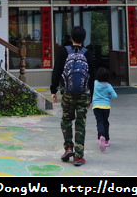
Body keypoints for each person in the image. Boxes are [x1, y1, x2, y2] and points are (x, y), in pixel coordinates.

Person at [50, 26, 97, 166]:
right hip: (83, 94)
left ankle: (68, 147)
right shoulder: (88, 53)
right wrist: (92, 96)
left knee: (66, 120)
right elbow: (92, 76)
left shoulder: (64, 51)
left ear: (71, 37)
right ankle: (78, 156)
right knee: (80, 123)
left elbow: (57, 70)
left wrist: (53, 90)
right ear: (84, 38)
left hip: (68, 94)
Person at [92, 67, 118, 152]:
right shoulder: (108, 86)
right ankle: (106, 140)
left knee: (99, 122)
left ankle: (101, 136)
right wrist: (108, 96)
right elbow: (115, 96)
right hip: (106, 107)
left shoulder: (95, 83)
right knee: (105, 122)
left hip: (96, 106)